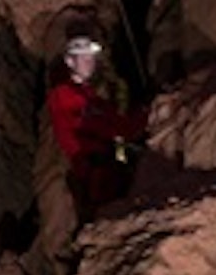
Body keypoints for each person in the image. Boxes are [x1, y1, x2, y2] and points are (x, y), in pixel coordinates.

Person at [46, 35, 149, 223]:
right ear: (70, 61)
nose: (89, 62)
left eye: (91, 58)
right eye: (84, 58)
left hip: (107, 166)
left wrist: (147, 115)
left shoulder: (91, 97)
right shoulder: (63, 94)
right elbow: (96, 125)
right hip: (91, 170)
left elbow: (119, 124)